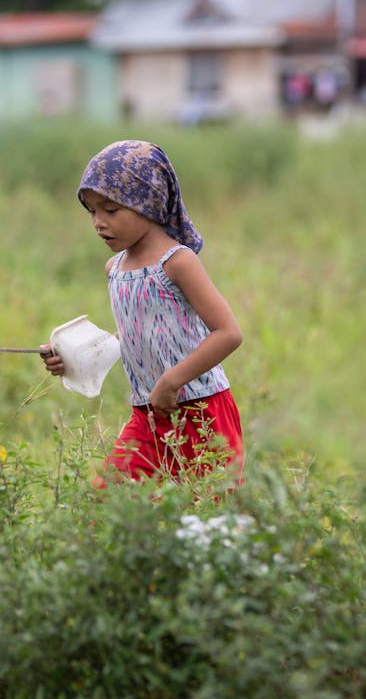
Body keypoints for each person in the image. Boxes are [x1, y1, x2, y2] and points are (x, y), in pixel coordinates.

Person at [41, 140, 243, 487]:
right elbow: (134, 336)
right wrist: (73, 357)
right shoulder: (114, 268)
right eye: (92, 211)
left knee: (205, 522)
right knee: (104, 506)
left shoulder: (178, 262)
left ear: (146, 202)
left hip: (202, 412)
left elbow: (228, 333)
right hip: (147, 418)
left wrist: (171, 381)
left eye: (111, 210)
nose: (98, 222)